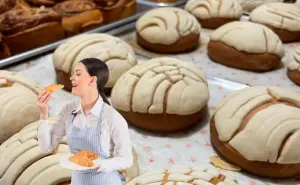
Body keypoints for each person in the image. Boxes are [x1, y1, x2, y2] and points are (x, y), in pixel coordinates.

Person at [37, 58, 133, 185]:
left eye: (78, 74)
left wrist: (99, 164)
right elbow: (46, 147)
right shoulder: (68, 110)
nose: (71, 78)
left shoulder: (113, 117)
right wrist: (43, 113)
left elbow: (126, 159)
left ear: (92, 80)